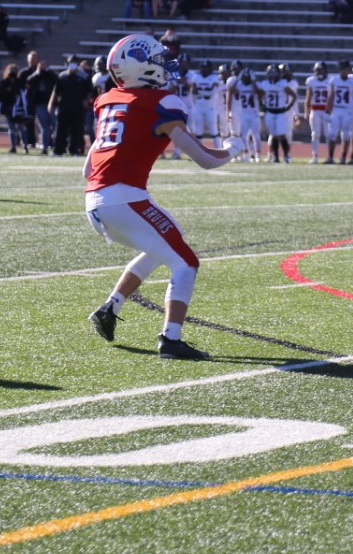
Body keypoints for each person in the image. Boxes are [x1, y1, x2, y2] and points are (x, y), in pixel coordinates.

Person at [85, 33, 244, 360]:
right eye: (156, 61)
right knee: (186, 263)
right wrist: (233, 149)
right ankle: (170, 339)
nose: (163, 67)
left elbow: (89, 167)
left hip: (95, 202)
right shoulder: (161, 103)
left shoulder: (108, 100)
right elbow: (206, 159)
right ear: (138, 67)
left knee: (163, 247)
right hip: (124, 200)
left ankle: (109, 308)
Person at [50, 56, 92, 156]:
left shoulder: (84, 76)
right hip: (63, 107)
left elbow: (89, 92)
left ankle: (74, 150)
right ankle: (58, 150)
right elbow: (56, 91)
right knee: (60, 129)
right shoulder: (62, 76)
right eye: (70, 62)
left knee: (76, 130)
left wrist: (86, 101)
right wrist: (51, 103)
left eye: (74, 62)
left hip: (78, 107)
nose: (72, 64)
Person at [257, 64, 296, 162]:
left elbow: (293, 95)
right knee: (273, 134)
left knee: (282, 134)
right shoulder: (265, 83)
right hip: (270, 112)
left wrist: (289, 106)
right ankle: (276, 157)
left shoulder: (283, 83)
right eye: (271, 73)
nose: (273, 75)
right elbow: (259, 95)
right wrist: (262, 105)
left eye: (275, 73)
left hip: (280, 112)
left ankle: (286, 156)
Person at [326, 61, 353, 165]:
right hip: (336, 109)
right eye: (342, 69)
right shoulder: (334, 80)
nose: (344, 71)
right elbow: (330, 96)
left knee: (345, 135)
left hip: (347, 110)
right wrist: (328, 111)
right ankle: (330, 157)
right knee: (332, 134)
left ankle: (343, 157)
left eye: (346, 69)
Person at [227, 65, 261, 162]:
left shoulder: (255, 85)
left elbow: (257, 92)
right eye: (244, 77)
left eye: (247, 77)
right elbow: (231, 89)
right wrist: (237, 79)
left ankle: (257, 155)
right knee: (243, 136)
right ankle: (246, 155)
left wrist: (253, 81)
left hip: (254, 113)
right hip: (244, 113)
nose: (246, 79)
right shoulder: (239, 85)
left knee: (256, 135)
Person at [185, 61, 222, 143]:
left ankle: (219, 151)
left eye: (207, 67)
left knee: (214, 130)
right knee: (198, 131)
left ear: (210, 68)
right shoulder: (196, 77)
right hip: (198, 107)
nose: (205, 69)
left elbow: (213, 93)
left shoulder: (215, 77)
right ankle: (199, 153)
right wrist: (205, 93)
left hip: (210, 107)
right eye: (203, 67)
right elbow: (193, 92)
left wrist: (200, 93)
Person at [0, 63, 28, 152]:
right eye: (11, 71)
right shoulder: (3, 82)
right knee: (11, 128)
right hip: (8, 108)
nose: (12, 73)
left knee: (21, 127)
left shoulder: (19, 82)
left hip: (18, 108)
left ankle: (25, 145)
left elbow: (21, 92)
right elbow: (2, 94)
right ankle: (13, 146)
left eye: (14, 71)